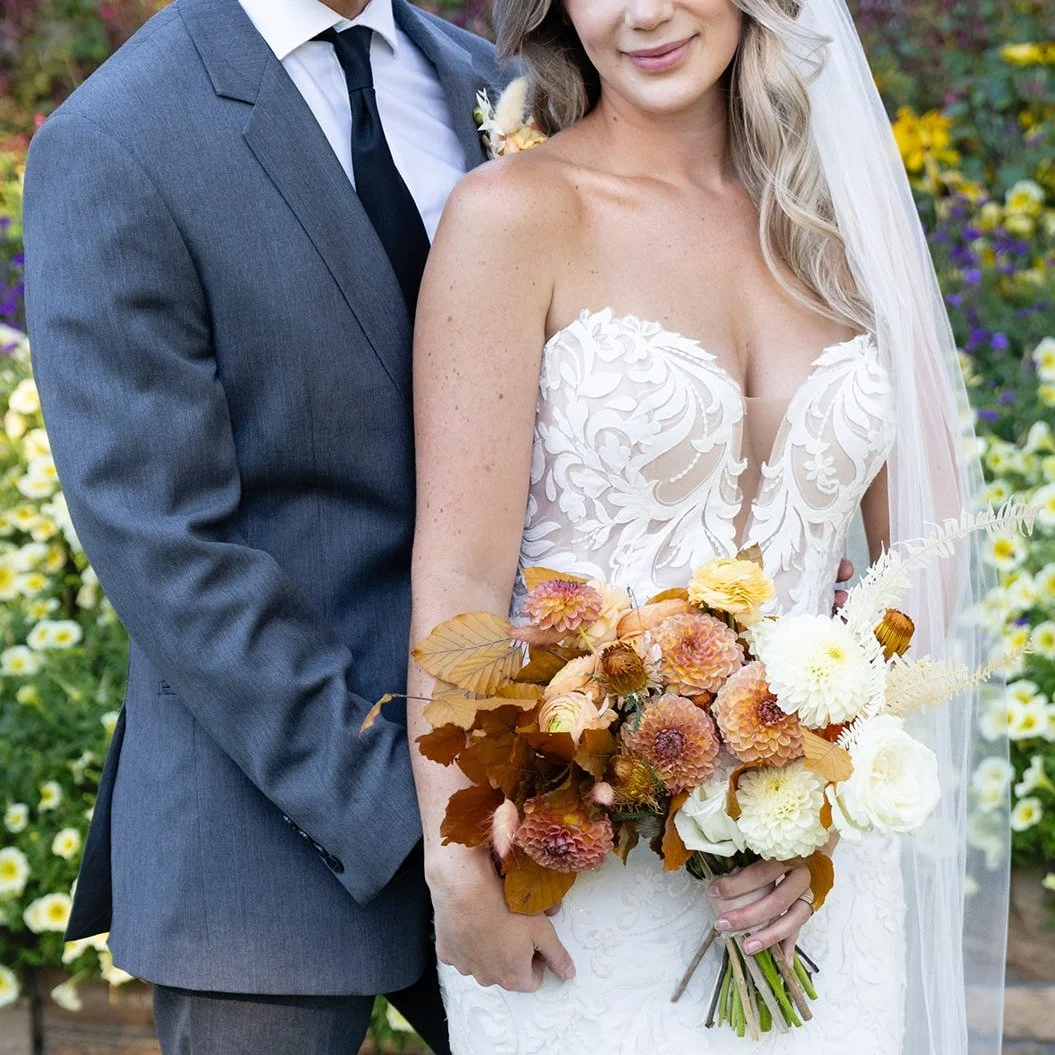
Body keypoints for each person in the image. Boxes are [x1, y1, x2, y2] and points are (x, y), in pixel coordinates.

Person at [408, 0, 1006, 1051]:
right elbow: (458, 574)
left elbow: (925, 543)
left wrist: (816, 801)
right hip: (582, 866)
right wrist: (454, 864)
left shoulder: (840, 225)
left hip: (808, 881)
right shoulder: (511, 216)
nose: (644, 14)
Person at [21, 0, 504, 1051]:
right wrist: (409, 808)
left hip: (525, 786)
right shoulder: (117, 138)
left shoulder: (497, 81)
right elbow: (168, 547)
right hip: (262, 837)